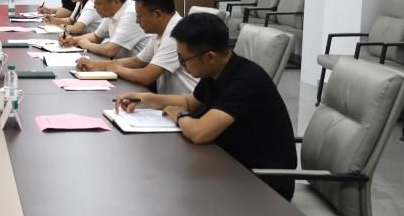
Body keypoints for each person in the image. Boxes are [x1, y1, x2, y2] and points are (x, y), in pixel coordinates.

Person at [113, 13, 297, 200]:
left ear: (210, 56)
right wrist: (145, 98)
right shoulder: (216, 70)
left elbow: (199, 132)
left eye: (183, 59)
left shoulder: (246, 81)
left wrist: (180, 115)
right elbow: (189, 103)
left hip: (261, 185)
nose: (182, 65)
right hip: (229, 164)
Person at [77, 0, 198, 96]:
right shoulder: (160, 31)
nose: (137, 21)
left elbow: (146, 76)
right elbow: (137, 61)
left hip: (185, 103)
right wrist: (98, 65)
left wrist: (116, 69)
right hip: (167, 100)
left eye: (140, 17)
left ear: (158, 14)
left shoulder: (175, 33)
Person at [59, 0, 146, 59]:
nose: (94, 7)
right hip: (119, 62)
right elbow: (96, 36)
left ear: (116, 1)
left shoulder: (131, 14)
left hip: (135, 67)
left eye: (99, 3)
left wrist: (87, 45)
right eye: (94, 2)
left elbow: (110, 50)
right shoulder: (112, 12)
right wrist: (72, 40)